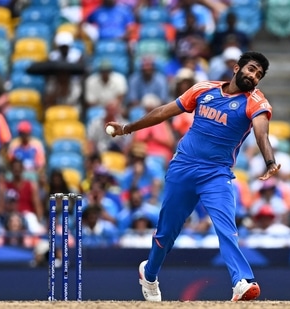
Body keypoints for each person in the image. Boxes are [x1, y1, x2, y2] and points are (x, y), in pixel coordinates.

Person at [106, 51, 280, 302]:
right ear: (236, 68)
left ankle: (242, 281)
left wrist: (270, 161)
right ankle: (150, 273)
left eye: (258, 75)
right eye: (251, 69)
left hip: (216, 174)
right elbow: (165, 112)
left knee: (225, 227)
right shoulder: (204, 90)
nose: (253, 76)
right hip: (183, 168)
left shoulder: (256, 101)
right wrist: (127, 128)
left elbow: (262, 133)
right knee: (167, 232)